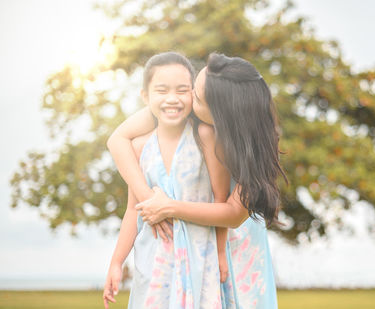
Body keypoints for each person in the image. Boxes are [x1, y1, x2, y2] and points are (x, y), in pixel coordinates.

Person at [107, 53, 287, 308]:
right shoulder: (179, 110)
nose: (187, 97)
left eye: (196, 96)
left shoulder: (252, 145)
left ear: (220, 114)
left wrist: (168, 207)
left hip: (235, 240)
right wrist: (150, 201)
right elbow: (118, 140)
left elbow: (234, 213)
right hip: (196, 238)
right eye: (194, 87)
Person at [103, 51, 231, 309]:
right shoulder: (140, 148)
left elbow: (221, 198)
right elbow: (132, 210)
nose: (172, 99)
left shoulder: (205, 136)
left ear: (193, 94)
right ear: (145, 96)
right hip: (153, 261)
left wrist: (220, 253)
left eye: (182, 90)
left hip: (199, 258)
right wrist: (116, 262)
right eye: (161, 90)